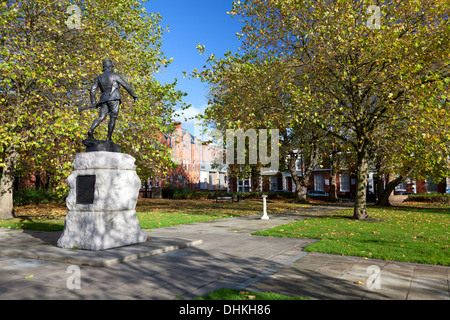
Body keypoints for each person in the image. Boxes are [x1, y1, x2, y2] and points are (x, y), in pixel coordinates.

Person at [88, 59, 138, 141]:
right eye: (111, 67)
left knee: (101, 117)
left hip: (103, 99)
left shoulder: (99, 78)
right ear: (109, 67)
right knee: (113, 118)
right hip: (114, 98)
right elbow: (125, 85)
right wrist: (134, 95)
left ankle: (91, 130)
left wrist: (93, 102)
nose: (112, 68)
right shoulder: (115, 75)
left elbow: (92, 90)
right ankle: (108, 138)